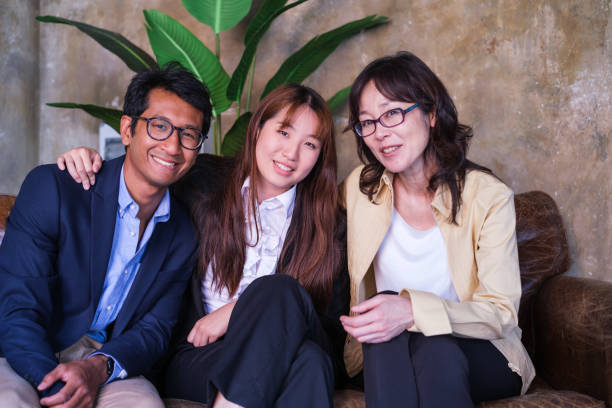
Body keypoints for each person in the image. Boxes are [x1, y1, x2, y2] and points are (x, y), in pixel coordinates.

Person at [55, 83, 349, 408]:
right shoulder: (201, 182)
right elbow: (139, 174)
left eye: (309, 144)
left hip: (289, 345)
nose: (290, 154)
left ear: (320, 155)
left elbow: (330, 333)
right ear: (258, 128)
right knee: (308, 360)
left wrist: (235, 312)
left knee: (300, 333)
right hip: (198, 355)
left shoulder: (329, 222)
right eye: (283, 133)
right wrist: (88, 160)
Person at [0, 64, 212, 408]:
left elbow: (154, 330)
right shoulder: (55, 188)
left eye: (189, 134)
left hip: (105, 360)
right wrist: (56, 387)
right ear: (127, 129)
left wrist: (95, 369)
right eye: (159, 127)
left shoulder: (182, 233)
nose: (173, 146)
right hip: (23, 348)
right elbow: (18, 308)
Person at [339, 51, 535, 407]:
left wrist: (413, 311)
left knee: (435, 346)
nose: (380, 133)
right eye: (367, 122)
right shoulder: (358, 188)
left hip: (481, 352)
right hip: (385, 351)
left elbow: (501, 313)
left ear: (431, 114)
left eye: (392, 113)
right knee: (392, 321)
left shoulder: (487, 197)